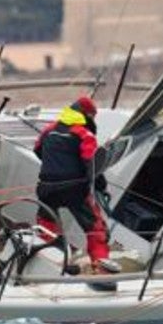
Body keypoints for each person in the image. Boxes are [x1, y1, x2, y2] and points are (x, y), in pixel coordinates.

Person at [33, 96, 119, 289]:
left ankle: (43, 269)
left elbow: (37, 150)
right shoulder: (84, 134)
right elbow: (92, 165)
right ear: (87, 115)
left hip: (46, 189)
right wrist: (101, 186)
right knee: (97, 230)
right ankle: (102, 275)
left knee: (46, 229)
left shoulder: (49, 129)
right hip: (75, 191)